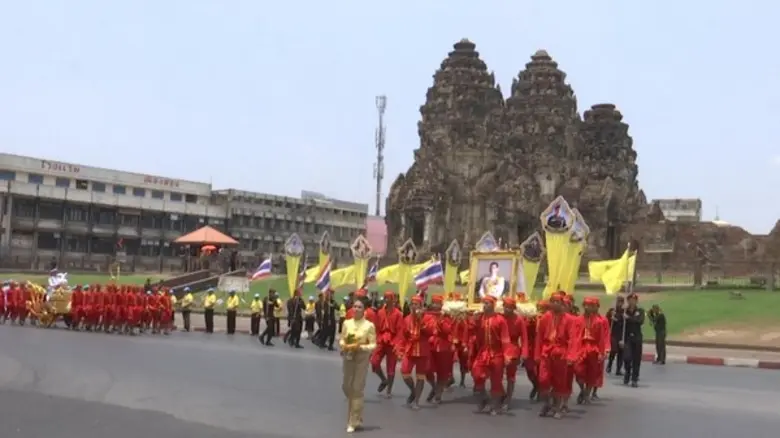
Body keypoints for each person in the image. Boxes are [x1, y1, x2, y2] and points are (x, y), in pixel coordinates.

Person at [535, 293, 578, 419]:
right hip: (546, 352)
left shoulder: (569, 319)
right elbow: (539, 338)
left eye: (557, 302)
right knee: (543, 380)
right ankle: (547, 403)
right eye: (552, 301)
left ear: (562, 304)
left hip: (561, 353)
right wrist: (537, 354)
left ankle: (557, 407)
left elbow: (573, 339)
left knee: (559, 381)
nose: (554, 304)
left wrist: (571, 356)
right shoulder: (545, 318)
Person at [471, 295, 515, 415]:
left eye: (487, 303)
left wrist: (507, 355)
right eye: (483, 303)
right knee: (476, 374)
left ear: (493, 305)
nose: (484, 305)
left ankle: (495, 406)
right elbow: (472, 331)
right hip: (483, 352)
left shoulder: (500, 320)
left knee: (496, 381)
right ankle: (484, 397)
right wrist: (474, 321)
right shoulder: (479, 318)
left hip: (497, 353)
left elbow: (505, 339)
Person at [339, 299, 377, 433]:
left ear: (364, 310)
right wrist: (344, 345)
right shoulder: (346, 323)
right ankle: (358, 412)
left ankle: (353, 421)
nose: (356, 309)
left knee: (357, 388)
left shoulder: (369, 325)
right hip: (348, 356)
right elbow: (342, 338)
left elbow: (373, 344)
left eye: (359, 307)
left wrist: (361, 347)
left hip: (361, 358)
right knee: (346, 386)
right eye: (354, 306)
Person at [397, 295, 433, 410]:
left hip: (422, 350)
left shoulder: (428, 318)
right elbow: (402, 336)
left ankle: (417, 400)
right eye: (412, 304)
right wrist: (400, 350)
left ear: (421, 306)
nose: (414, 306)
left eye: (416, 304)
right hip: (410, 349)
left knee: (420, 376)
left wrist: (421, 320)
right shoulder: (407, 319)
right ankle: (413, 391)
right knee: (404, 372)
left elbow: (430, 332)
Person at [573, 297, 609, 404]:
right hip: (581, 348)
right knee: (578, 371)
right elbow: (574, 336)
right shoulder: (578, 320)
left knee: (592, 373)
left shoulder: (599, 322)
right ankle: (583, 391)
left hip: (593, 349)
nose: (588, 307)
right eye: (586, 305)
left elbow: (602, 338)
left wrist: (602, 352)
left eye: (591, 305)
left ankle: (587, 394)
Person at [370, 290, 403, 397]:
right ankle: (384, 380)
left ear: (393, 300)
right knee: (374, 362)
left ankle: (389, 390)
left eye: (389, 297)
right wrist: (376, 339)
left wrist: (397, 344)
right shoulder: (380, 312)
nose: (386, 299)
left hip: (392, 341)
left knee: (391, 367)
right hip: (381, 340)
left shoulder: (398, 314)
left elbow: (399, 331)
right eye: (385, 297)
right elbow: (377, 327)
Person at [500, 296, 529, 411]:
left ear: (513, 308)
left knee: (510, 376)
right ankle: (501, 394)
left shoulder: (519, 320)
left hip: (512, 348)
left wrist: (524, 352)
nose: (507, 310)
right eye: (505, 307)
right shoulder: (500, 318)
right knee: (496, 374)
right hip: (500, 347)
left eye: (510, 307)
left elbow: (524, 337)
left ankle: (508, 399)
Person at [425, 294, 454, 404]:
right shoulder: (428, 316)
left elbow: (447, 331)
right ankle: (434, 387)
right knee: (427, 369)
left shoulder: (447, 317)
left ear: (441, 305)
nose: (435, 305)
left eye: (437, 303)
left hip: (444, 347)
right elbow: (426, 329)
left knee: (442, 373)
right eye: (433, 302)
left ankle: (438, 394)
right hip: (430, 345)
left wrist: (441, 320)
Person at [622, 293, 645, 387]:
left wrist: (629, 318)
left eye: (634, 300)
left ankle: (634, 378)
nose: (632, 301)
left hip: (637, 338)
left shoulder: (640, 311)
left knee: (636, 359)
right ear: (628, 301)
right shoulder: (624, 311)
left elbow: (640, 321)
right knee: (626, 358)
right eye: (630, 299)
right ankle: (627, 372)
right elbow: (620, 323)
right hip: (627, 338)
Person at [605, 295, 625, 375]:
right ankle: (609, 365)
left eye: (621, 302)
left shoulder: (624, 311)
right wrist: (610, 316)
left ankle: (618, 369)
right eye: (618, 301)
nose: (619, 303)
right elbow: (606, 320)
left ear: (622, 303)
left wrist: (616, 319)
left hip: (621, 333)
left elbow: (623, 321)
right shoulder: (612, 310)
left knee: (621, 352)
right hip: (613, 333)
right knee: (613, 350)